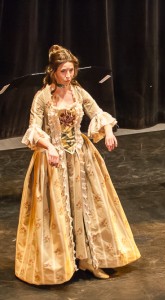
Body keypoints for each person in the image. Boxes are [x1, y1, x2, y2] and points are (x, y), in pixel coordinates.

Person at [15, 45, 141, 285]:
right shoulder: (42, 96)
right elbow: (33, 128)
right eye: (64, 71)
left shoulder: (78, 92)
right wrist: (50, 147)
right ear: (53, 71)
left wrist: (108, 131)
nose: (69, 75)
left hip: (81, 157)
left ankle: (89, 259)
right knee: (58, 210)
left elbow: (97, 112)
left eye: (71, 70)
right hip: (53, 160)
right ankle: (63, 262)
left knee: (88, 206)